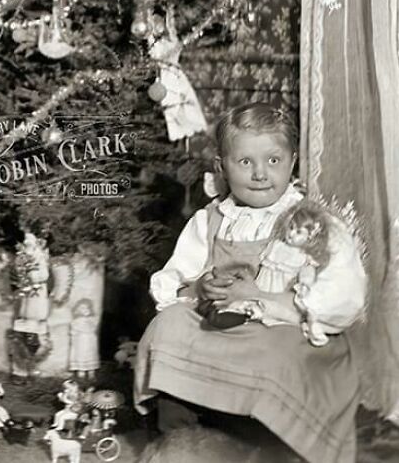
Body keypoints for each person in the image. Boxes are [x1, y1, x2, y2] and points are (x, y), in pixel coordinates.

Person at [134, 102, 367, 463]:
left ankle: (262, 441)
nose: (260, 174)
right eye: (245, 162)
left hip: (283, 327)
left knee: (275, 353)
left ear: (292, 161)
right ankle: (182, 440)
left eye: (273, 160)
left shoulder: (311, 223)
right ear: (222, 167)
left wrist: (262, 297)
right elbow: (176, 279)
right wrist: (201, 288)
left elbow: (344, 295)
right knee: (168, 325)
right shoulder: (211, 219)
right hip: (223, 323)